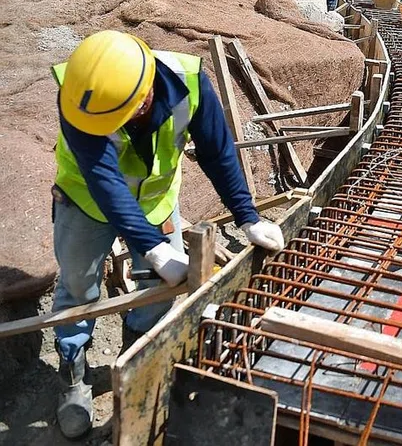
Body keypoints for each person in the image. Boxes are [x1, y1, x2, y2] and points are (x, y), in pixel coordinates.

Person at [50, 30, 286, 438]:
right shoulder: (80, 96)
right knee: (77, 286)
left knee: (158, 298)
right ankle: (73, 373)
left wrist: (248, 217)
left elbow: (216, 150)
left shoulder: (189, 81)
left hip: (156, 202)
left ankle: (137, 364)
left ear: (144, 96)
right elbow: (104, 181)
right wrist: (155, 249)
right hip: (85, 200)